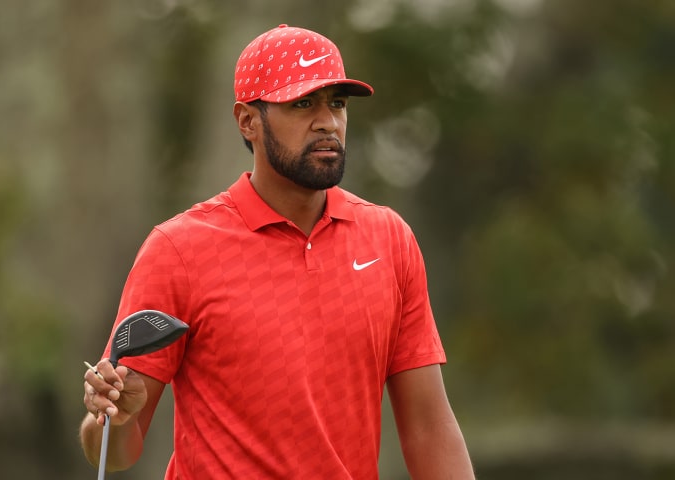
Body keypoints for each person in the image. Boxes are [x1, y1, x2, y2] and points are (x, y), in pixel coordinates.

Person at [80, 24, 476, 479]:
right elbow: (112, 450)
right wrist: (114, 418)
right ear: (248, 120)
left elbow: (428, 427)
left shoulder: (388, 240)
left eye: (337, 104)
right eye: (302, 104)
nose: (328, 121)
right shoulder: (179, 249)